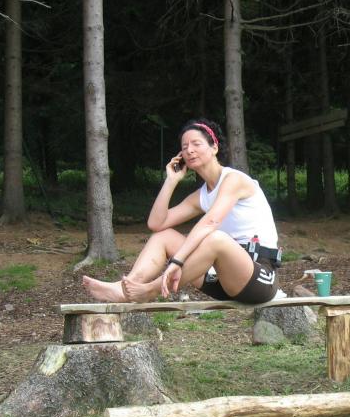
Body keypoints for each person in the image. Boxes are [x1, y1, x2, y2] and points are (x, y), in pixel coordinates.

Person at [82, 119, 280, 306]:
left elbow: (210, 222)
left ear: (214, 148)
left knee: (215, 238)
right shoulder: (202, 195)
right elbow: (156, 224)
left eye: (196, 144)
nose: (189, 150)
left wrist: (177, 260)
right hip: (219, 278)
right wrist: (171, 181)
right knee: (163, 236)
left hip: (258, 278)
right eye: (184, 147)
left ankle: (151, 290)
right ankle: (126, 288)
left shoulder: (234, 180)